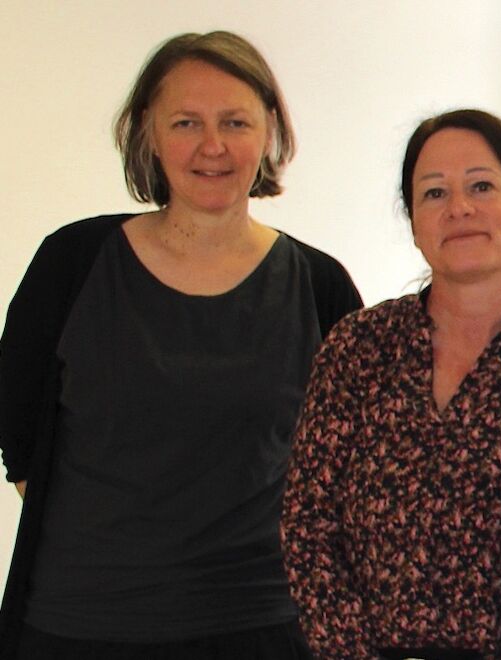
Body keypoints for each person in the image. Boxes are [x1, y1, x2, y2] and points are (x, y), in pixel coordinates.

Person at [0, 31, 362, 658]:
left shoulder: (320, 287)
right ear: (148, 131)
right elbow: (17, 429)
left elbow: (354, 466)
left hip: (263, 626)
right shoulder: (73, 263)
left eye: (235, 121)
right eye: (187, 121)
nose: (212, 146)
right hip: (79, 626)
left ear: (269, 131)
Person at [282, 109, 501, 659]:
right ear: (415, 222)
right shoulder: (357, 348)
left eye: (481, 185)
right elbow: (309, 530)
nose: (460, 208)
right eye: (434, 193)